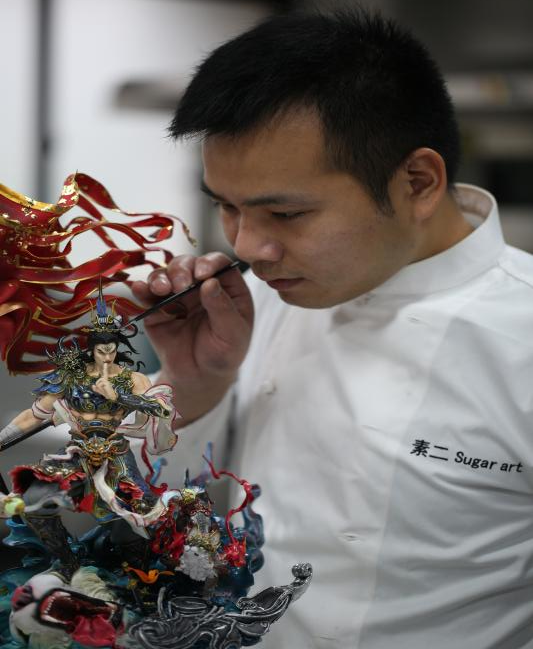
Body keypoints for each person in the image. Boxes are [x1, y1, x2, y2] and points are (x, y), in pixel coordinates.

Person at [132, 9, 533, 649]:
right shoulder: (254, 302)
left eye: (286, 213)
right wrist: (194, 385)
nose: (249, 247)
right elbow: (177, 524)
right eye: (227, 207)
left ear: (417, 182)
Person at [0, 292, 177, 579]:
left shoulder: (133, 379)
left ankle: (137, 578)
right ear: (92, 349)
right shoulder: (72, 376)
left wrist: (119, 396)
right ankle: (67, 563)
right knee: (35, 500)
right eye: (101, 351)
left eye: (111, 350)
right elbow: (34, 414)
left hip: (116, 453)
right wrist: (2, 438)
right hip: (78, 450)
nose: (107, 356)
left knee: (140, 518)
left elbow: (160, 409)